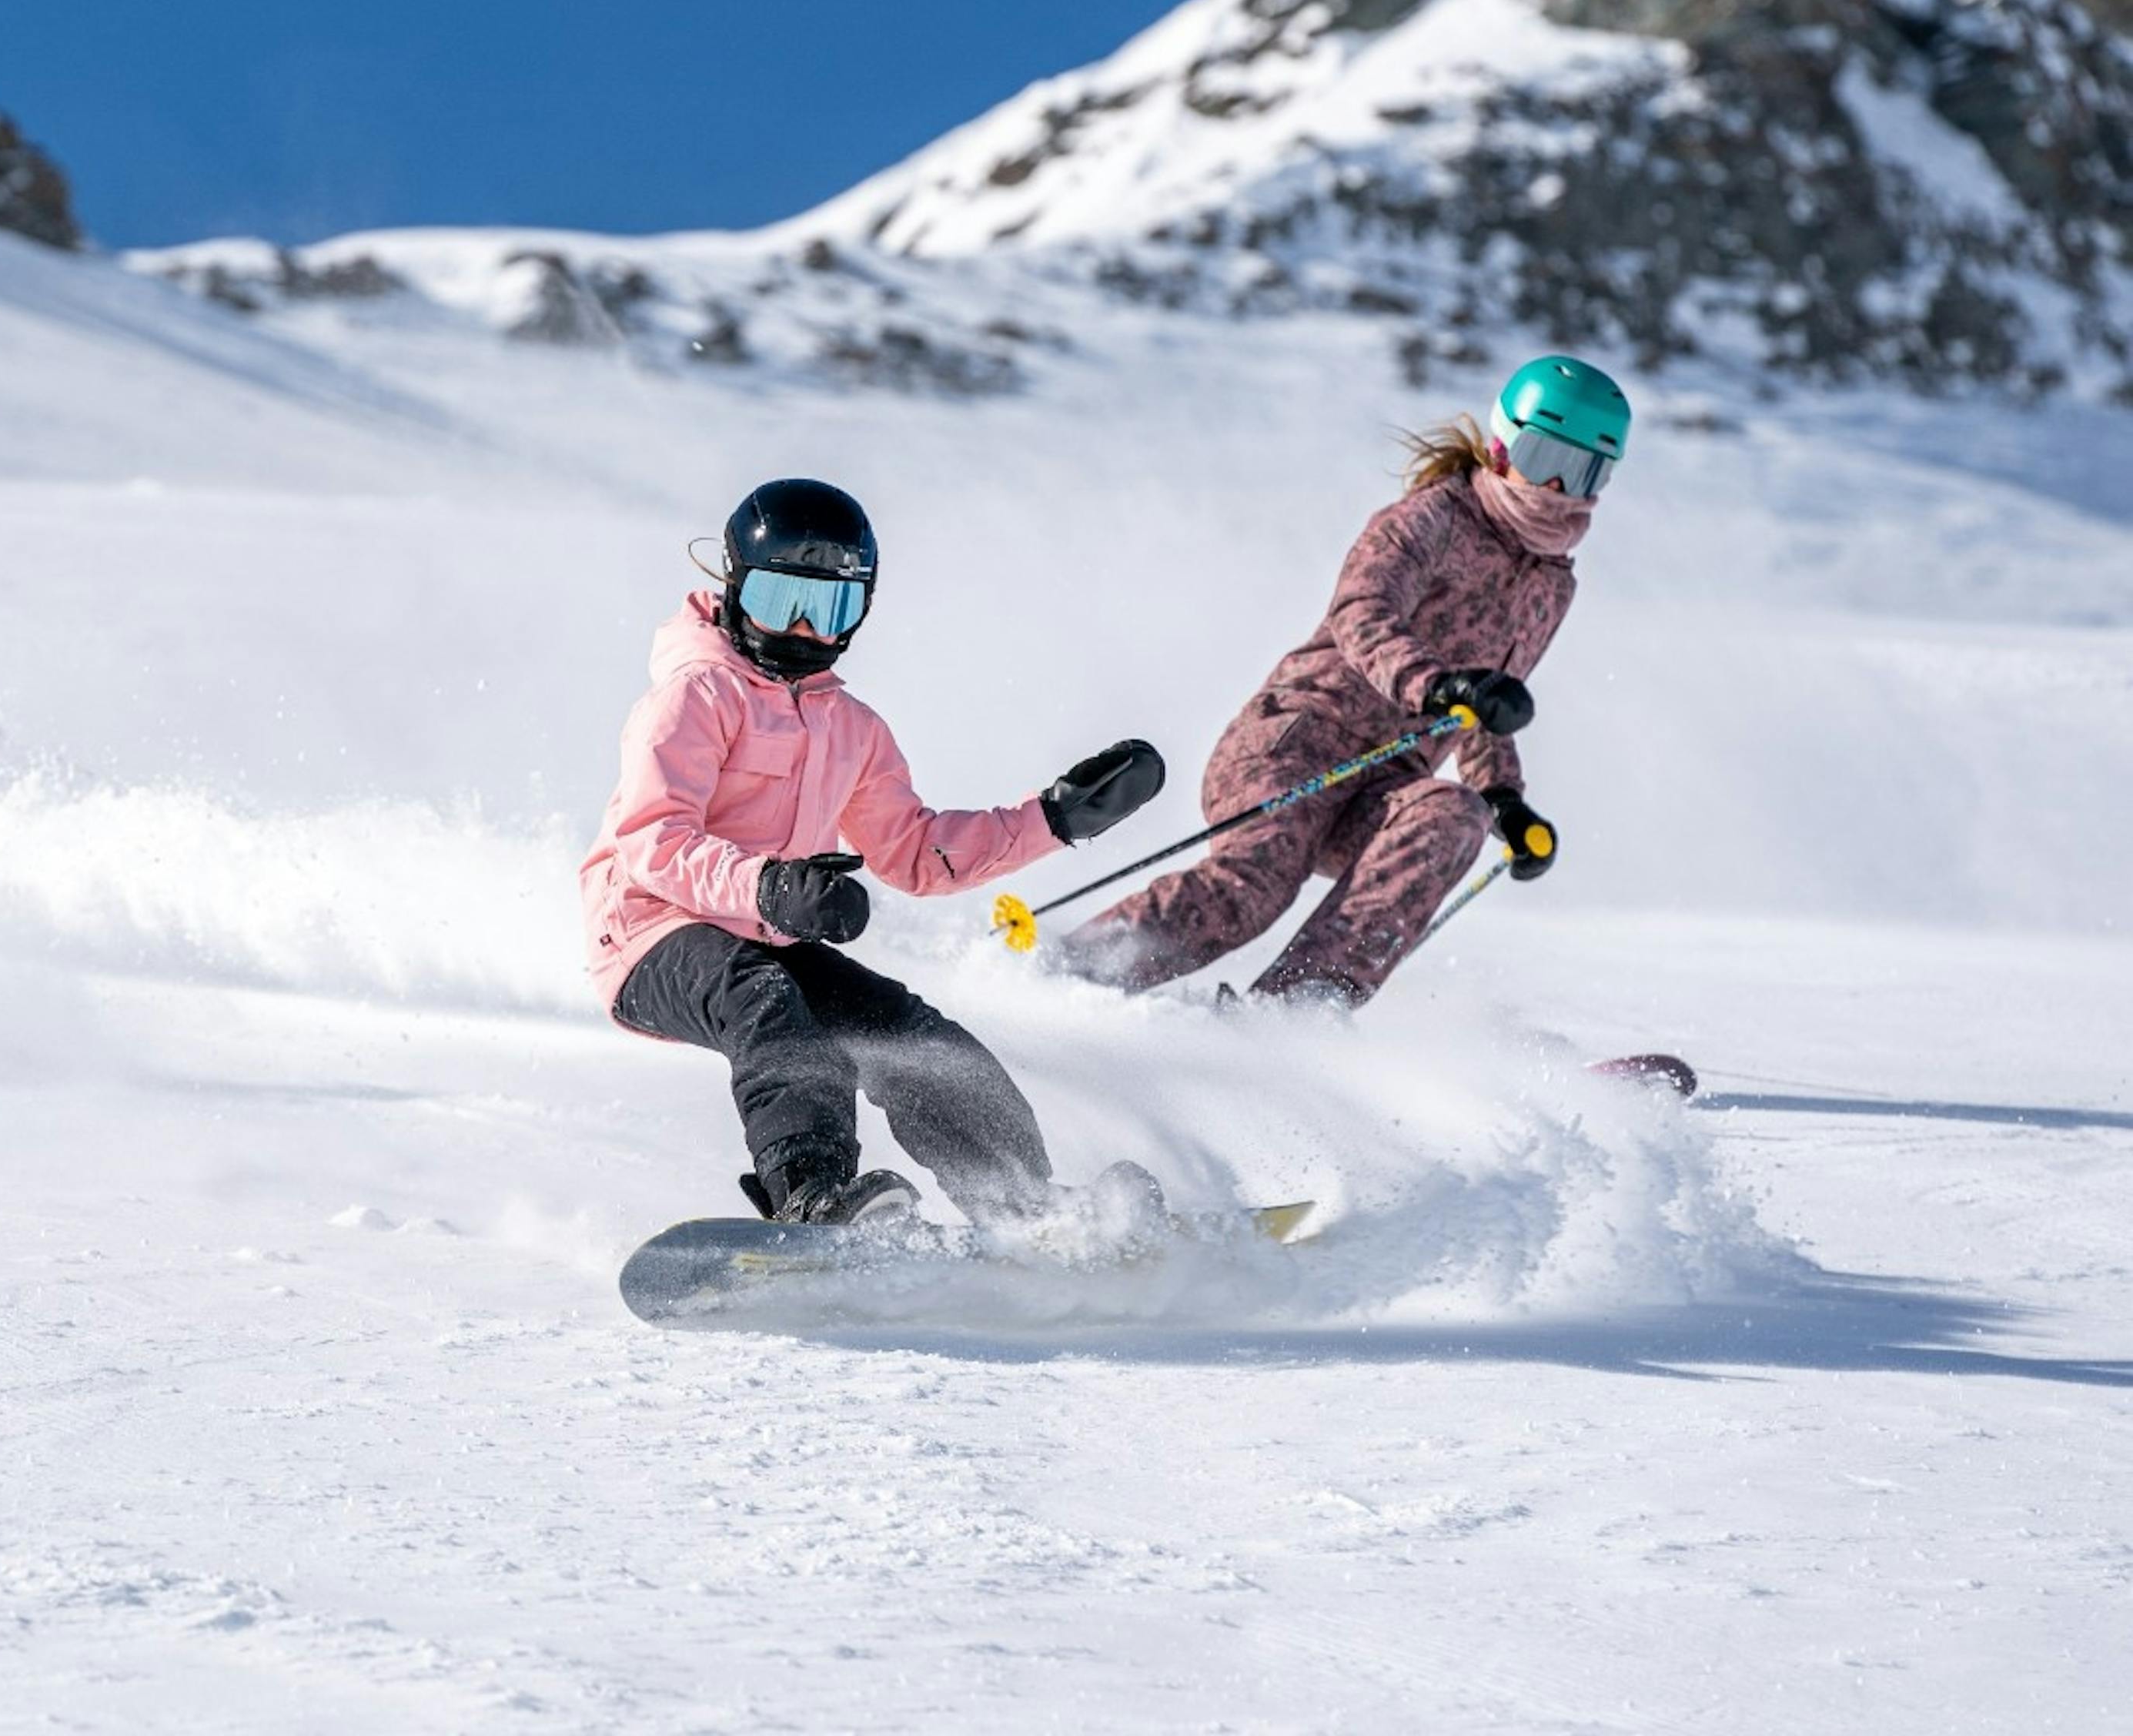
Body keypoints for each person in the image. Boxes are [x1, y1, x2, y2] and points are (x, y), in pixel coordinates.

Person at [580, 478, 1165, 1225]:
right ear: (732, 587)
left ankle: (1020, 1199)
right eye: (778, 600)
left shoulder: (851, 729)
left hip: (764, 932)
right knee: (767, 1002)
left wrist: (1051, 819)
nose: (801, 629)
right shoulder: (696, 696)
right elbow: (652, 840)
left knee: (910, 1034)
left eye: (829, 609)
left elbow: (917, 852)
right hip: (646, 934)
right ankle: (813, 1199)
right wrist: (772, 887)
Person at [1061, 356, 1630, 1008]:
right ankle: (1062, 977)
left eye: (1582, 469)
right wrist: (1435, 685)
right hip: (1295, 742)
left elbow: (1482, 704)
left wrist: (1505, 798)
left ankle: (1294, 1012)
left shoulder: (1549, 585)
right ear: (1502, 443)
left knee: (1454, 815)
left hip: (1382, 785)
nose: (1556, 485)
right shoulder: (1433, 519)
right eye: (1541, 454)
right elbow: (1361, 614)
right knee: (1254, 887)